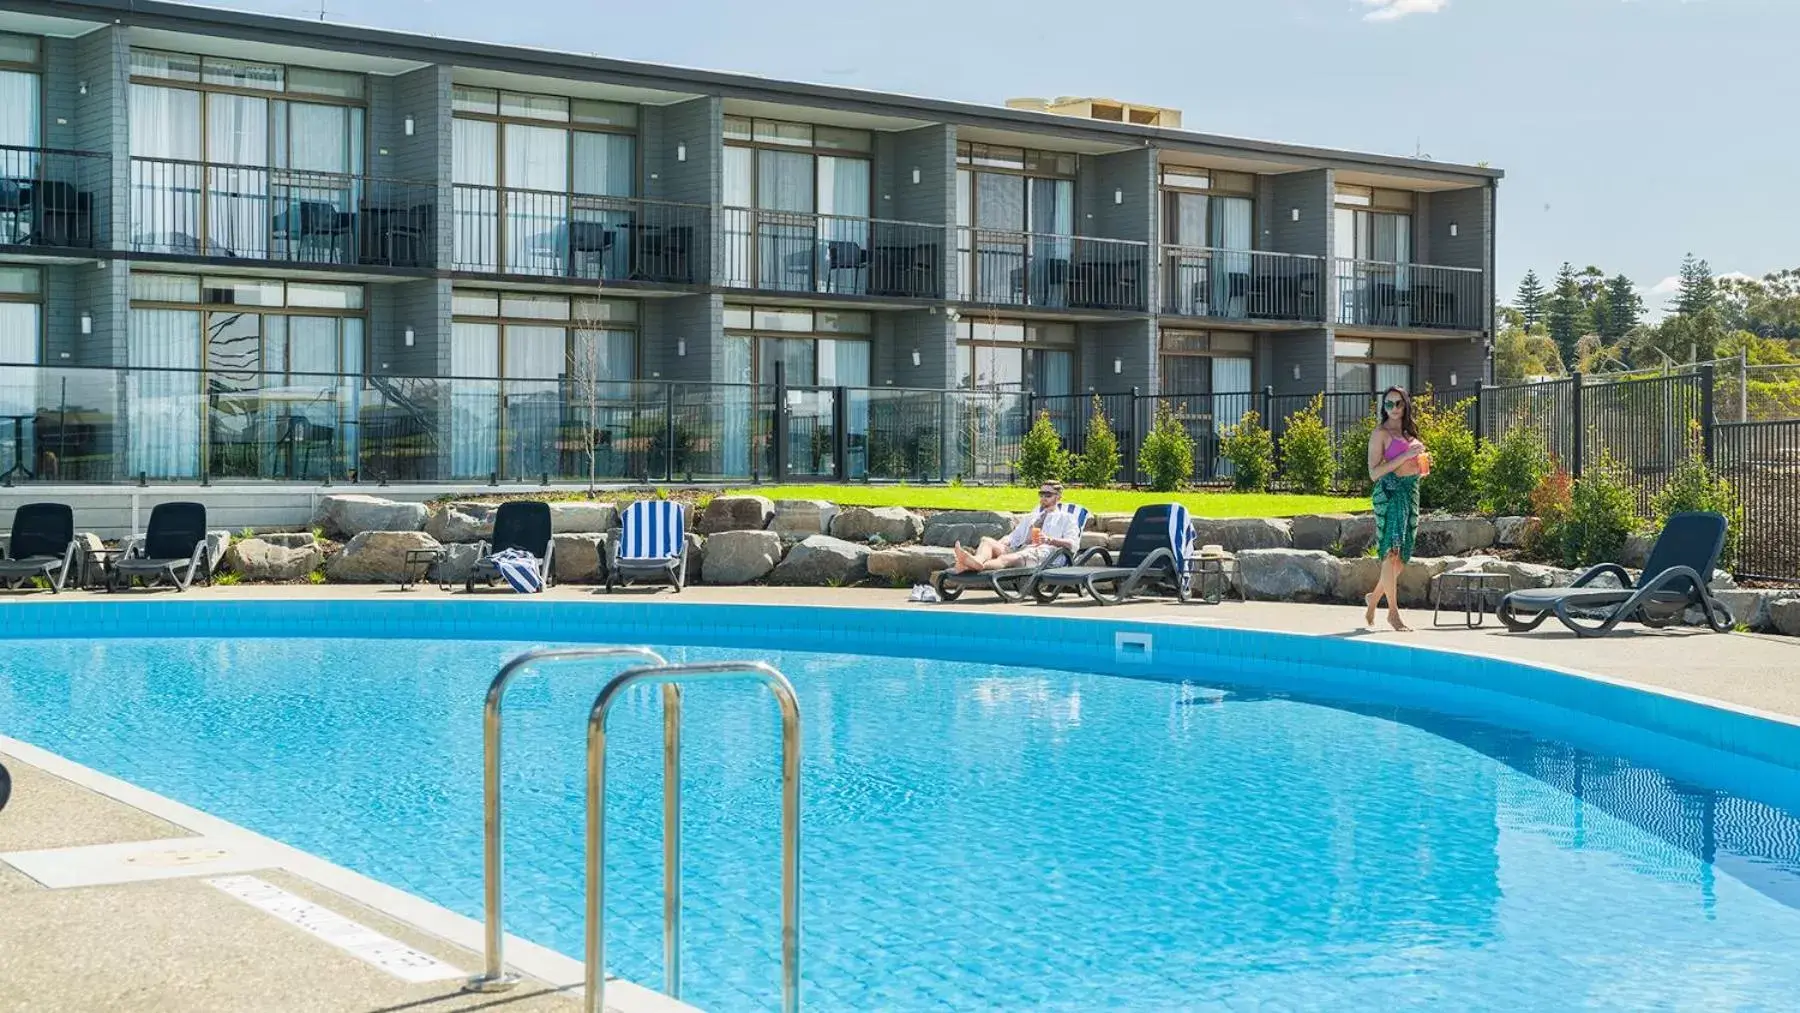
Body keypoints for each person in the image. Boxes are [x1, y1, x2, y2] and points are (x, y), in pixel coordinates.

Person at [1364, 387, 1427, 631]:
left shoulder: (1409, 431)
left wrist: (1419, 463)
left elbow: (1412, 458)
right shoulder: (1380, 433)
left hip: (1411, 492)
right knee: (1391, 552)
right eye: (1388, 404)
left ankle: (1373, 601)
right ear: (1383, 407)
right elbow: (1373, 473)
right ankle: (1393, 613)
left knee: (1401, 559)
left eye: (1398, 404)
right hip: (1390, 494)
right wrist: (1404, 458)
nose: (1393, 409)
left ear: (1405, 405)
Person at [953, 481, 1082, 572]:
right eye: (1041, 494)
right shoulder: (1032, 517)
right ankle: (976, 561)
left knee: (1004, 558)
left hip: (1042, 554)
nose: (1043, 498)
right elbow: (1014, 537)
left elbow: (1073, 544)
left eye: (1048, 495)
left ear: (1058, 497)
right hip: (1020, 549)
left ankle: (968, 566)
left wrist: (1050, 540)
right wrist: (1001, 543)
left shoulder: (1067, 518)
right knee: (986, 540)